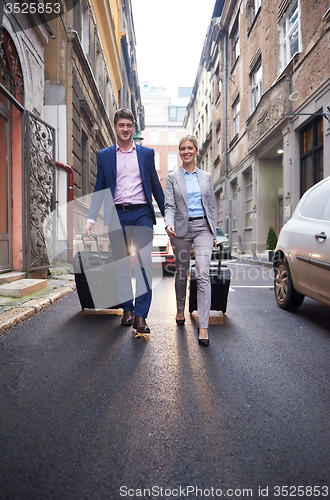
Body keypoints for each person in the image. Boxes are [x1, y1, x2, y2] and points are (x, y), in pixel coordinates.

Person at [85, 108, 165, 336]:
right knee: (120, 266)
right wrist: (91, 218)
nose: (125, 129)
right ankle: (127, 310)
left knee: (143, 265)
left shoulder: (146, 154)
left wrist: (168, 216)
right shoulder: (105, 155)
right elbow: (99, 188)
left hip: (142, 214)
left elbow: (156, 187)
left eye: (129, 125)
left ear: (133, 128)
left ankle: (141, 316)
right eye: (121, 125)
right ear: (115, 127)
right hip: (116, 215)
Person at [164, 135, 216, 346]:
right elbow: (169, 205)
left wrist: (214, 233)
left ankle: (203, 327)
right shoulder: (172, 177)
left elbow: (211, 206)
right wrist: (168, 224)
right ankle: (179, 309)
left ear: (196, 151)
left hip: (203, 227)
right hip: (181, 230)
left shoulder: (206, 177)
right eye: (183, 148)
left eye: (190, 148)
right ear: (180, 152)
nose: (186, 151)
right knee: (182, 273)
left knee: (203, 275)